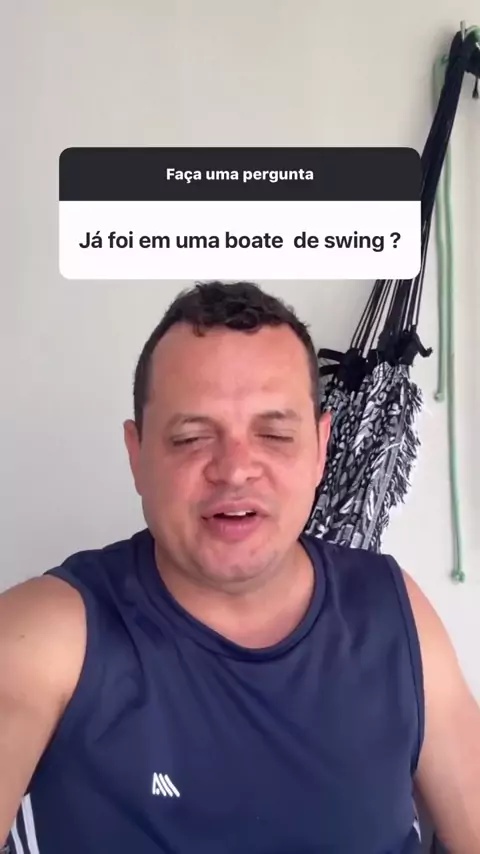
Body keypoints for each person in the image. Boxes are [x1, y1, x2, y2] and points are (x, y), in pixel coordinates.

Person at [0, 281, 479, 854]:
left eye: (274, 434)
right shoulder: (49, 633)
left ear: (320, 448)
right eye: (191, 437)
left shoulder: (392, 609)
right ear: (137, 454)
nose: (234, 470)